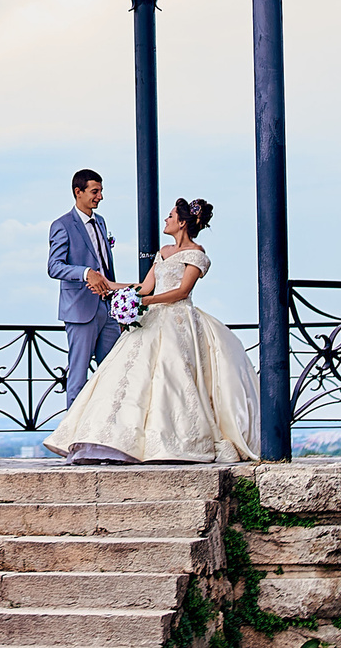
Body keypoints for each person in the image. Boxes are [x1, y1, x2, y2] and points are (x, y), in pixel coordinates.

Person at [44, 196, 257, 464]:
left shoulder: (197, 255)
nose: (166, 220)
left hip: (179, 321)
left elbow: (181, 292)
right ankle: (117, 439)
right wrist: (111, 287)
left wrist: (144, 302)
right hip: (154, 316)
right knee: (129, 375)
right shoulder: (164, 252)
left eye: (170, 216)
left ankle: (174, 440)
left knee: (174, 376)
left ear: (181, 223)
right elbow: (144, 286)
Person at [44, 170, 121, 412]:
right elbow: (54, 267)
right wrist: (86, 272)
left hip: (107, 308)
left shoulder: (101, 222)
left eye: (100, 191)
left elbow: (106, 266)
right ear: (78, 192)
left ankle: (107, 433)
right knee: (77, 375)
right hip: (80, 310)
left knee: (113, 372)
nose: (100, 197)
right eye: (95, 191)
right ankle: (73, 440)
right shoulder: (62, 225)